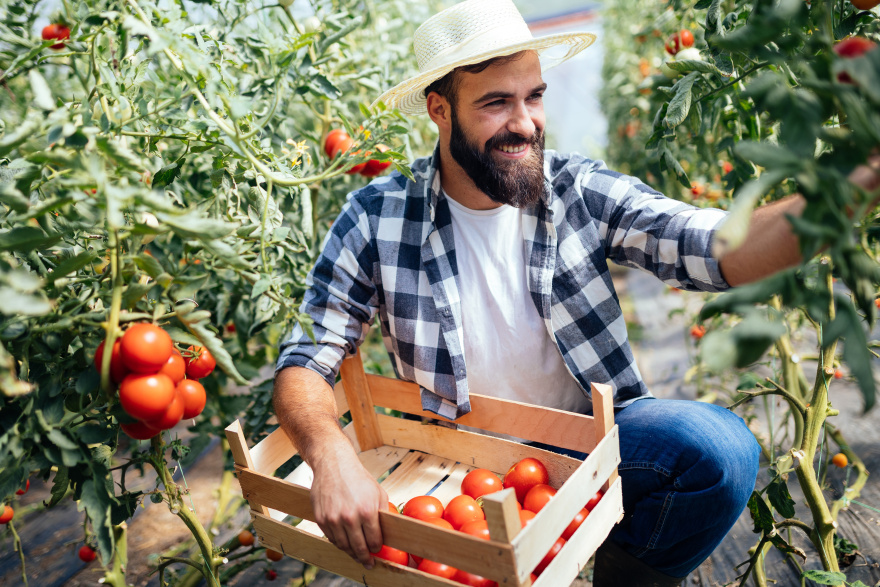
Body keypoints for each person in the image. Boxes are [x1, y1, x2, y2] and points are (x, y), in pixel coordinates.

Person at [272, 1, 880, 585]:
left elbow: (720, 245)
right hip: (459, 461)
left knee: (718, 450)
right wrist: (330, 456)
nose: (524, 122)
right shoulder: (378, 215)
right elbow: (308, 357)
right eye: (495, 103)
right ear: (440, 109)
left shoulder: (577, 189)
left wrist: (860, 176)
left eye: (533, 97)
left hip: (595, 445)